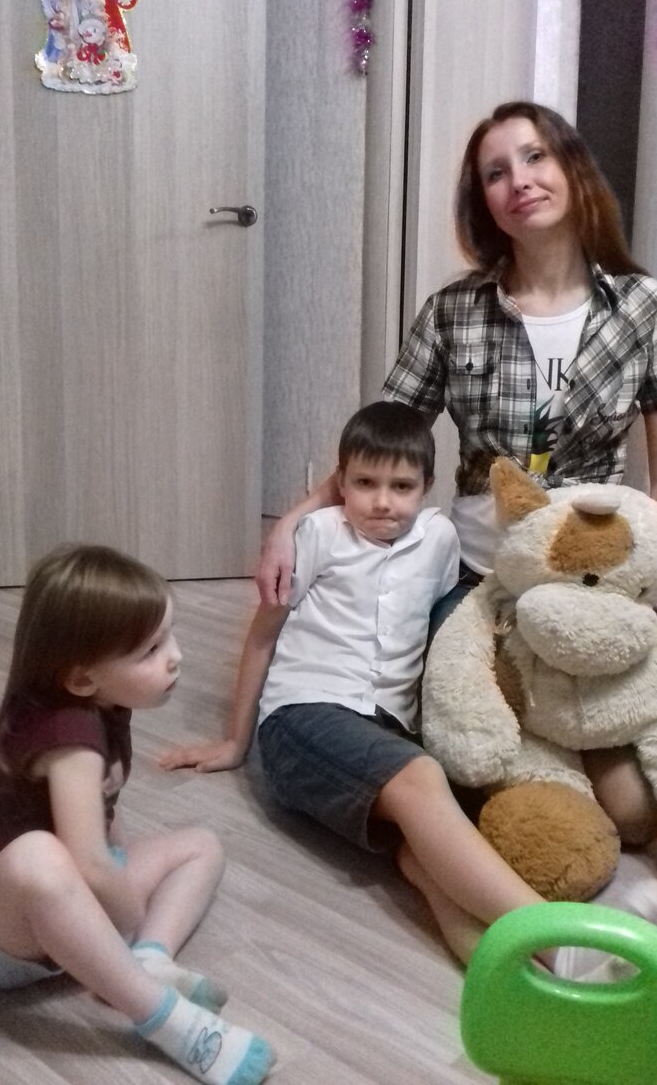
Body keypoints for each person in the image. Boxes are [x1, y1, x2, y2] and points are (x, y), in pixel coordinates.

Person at [256, 100, 657, 848]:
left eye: (534, 157)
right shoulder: (453, 312)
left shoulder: (641, 308)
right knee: (475, 754)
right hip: (479, 578)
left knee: (631, 811)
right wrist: (293, 520)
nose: (519, 181)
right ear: (484, 202)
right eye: (495, 173)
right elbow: (382, 440)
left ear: (571, 169)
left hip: (588, 581)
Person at [161, 401, 559, 967]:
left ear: (426, 487)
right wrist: (234, 741)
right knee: (420, 778)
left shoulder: (439, 538)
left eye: (402, 486)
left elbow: (432, 625)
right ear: (340, 481)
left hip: (387, 724)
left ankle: (512, 971)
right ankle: (564, 940)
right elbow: (262, 635)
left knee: (422, 847)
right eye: (365, 483)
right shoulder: (318, 534)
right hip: (304, 715)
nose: (382, 501)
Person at [0, 544, 275, 1085]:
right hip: (0, 931)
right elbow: (89, 862)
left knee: (202, 845)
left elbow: (99, 817)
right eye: (150, 650)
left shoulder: (104, 705)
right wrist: (124, 914)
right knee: (38, 858)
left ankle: (148, 960)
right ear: (81, 679)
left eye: (169, 636)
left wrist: (118, 878)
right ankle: (164, 1017)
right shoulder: (69, 736)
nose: (175, 656)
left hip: (58, 899)